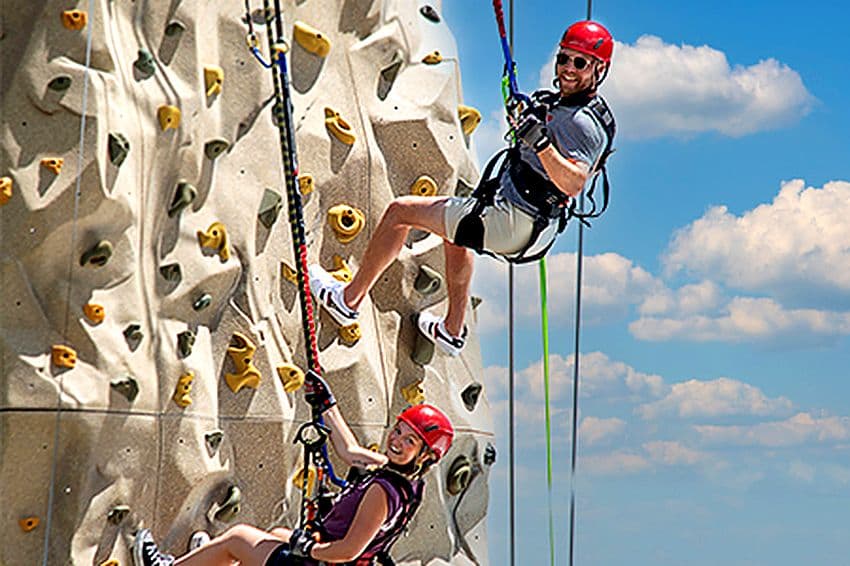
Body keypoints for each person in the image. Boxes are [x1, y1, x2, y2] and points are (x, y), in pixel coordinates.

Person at [309, 20, 616, 357]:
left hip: (516, 221)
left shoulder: (584, 123)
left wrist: (538, 141)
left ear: (599, 69)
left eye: (580, 63)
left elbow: (574, 182)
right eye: (564, 59)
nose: (568, 68)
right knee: (456, 231)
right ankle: (452, 331)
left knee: (400, 212)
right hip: (530, 224)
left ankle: (347, 300)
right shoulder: (564, 105)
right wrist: (528, 119)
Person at [133, 373, 454, 566]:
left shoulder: (381, 493)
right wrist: (327, 405)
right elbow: (350, 451)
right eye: (399, 430)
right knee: (276, 535)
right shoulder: (405, 479)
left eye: (410, 440)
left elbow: (348, 551)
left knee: (239, 538)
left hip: (323, 561)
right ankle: (206, 562)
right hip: (323, 556)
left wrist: (309, 548)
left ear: (425, 455)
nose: (396, 441)